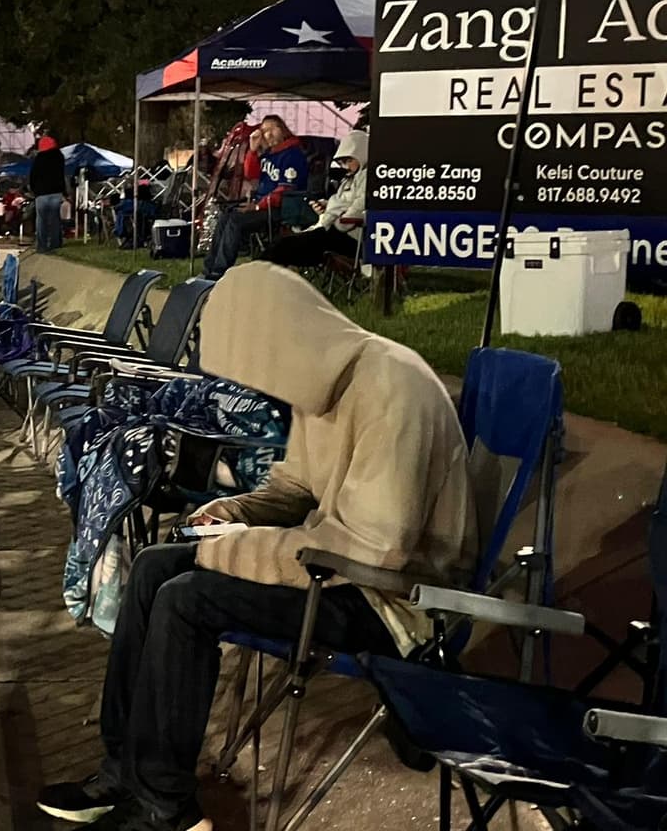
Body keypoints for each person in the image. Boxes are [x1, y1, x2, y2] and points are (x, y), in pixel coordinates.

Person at [36, 263, 477, 831]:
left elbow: (378, 550)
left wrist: (235, 548)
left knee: (188, 599)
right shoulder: (325, 377)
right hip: (335, 567)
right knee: (152, 568)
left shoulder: (393, 388)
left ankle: (164, 805)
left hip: (390, 599)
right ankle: (126, 767)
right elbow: (296, 488)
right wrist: (233, 513)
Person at [202, 115, 309, 280]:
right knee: (225, 217)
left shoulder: (292, 154)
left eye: (272, 129)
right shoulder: (269, 154)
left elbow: (285, 190)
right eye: (265, 131)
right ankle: (209, 269)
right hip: (261, 204)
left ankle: (218, 272)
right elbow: (251, 175)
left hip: (283, 208)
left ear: (283, 129)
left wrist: (259, 206)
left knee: (235, 221)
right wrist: (252, 150)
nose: (268, 134)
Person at [262, 130, 368, 268]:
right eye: (342, 162)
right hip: (335, 231)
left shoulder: (368, 177)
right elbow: (344, 203)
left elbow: (359, 207)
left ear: (362, 154)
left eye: (349, 160)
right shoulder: (351, 178)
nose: (346, 166)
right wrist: (327, 206)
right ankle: (261, 277)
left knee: (283, 247)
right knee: (281, 244)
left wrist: (335, 222)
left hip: (352, 237)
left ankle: (258, 278)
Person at [30, 135, 67, 253]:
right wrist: (64, 191)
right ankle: (55, 243)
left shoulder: (38, 158)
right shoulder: (59, 157)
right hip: (56, 192)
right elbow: (61, 175)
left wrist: (34, 191)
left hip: (41, 194)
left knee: (41, 220)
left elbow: (33, 176)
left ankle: (42, 245)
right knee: (55, 218)